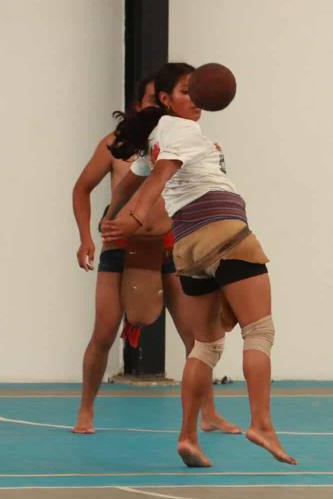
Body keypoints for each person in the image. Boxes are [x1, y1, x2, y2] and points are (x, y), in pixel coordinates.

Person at [102, 63, 296, 467]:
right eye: (187, 90)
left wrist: (111, 213)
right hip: (223, 230)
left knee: (206, 346)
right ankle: (262, 423)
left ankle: (188, 435)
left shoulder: (153, 138)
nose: (196, 97)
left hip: (187, 245)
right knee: (259, 331)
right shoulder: (181, 130)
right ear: (166, 99)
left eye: (197, 89)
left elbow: (132, 180)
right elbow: (158, 179)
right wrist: (133, 219)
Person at [71, 73, 238, 435]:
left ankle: (208, 412)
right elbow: (82, 188)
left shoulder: (189, 142)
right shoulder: (118, 144)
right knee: (103, 333)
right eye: (153, 100)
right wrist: (86, 236)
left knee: (196, 336)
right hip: (121, 247)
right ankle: (86, 410)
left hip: (169, 245)